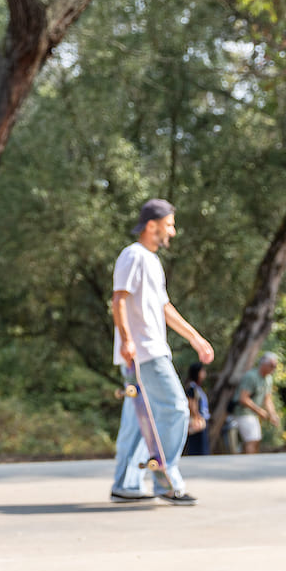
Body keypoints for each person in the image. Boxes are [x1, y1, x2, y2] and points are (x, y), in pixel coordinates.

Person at [110, 199, 214, 505]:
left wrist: (195, 338)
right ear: (152, 225)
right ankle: (165, 480)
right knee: (175, 409)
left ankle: (126, 484)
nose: (174, 231)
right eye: (169, 224)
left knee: (137, 420)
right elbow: (118, 299)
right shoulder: (133, 255)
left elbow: (164, 308)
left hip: (148, 350)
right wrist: (127, 339)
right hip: (145, 353)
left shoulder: (152, 261)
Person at [232, 352, 281, 454]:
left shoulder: (268, 379)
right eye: (272, 365)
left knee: (255, 440)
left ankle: (245, 462)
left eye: (275, 366)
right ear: (264, 364)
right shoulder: (251, 376)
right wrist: (259, 411)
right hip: (243, 412)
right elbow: (243, 398)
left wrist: (272, 414)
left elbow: (267, 399)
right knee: (252, 439)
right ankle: (250, 464)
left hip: (253, 414)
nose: (274, 368)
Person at [183, 362, 210, 456]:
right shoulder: (192, 387)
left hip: (202, 418)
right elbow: (191, 403)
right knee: (198, 446)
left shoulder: (197, 387)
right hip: (197, 420)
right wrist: (197, 416)